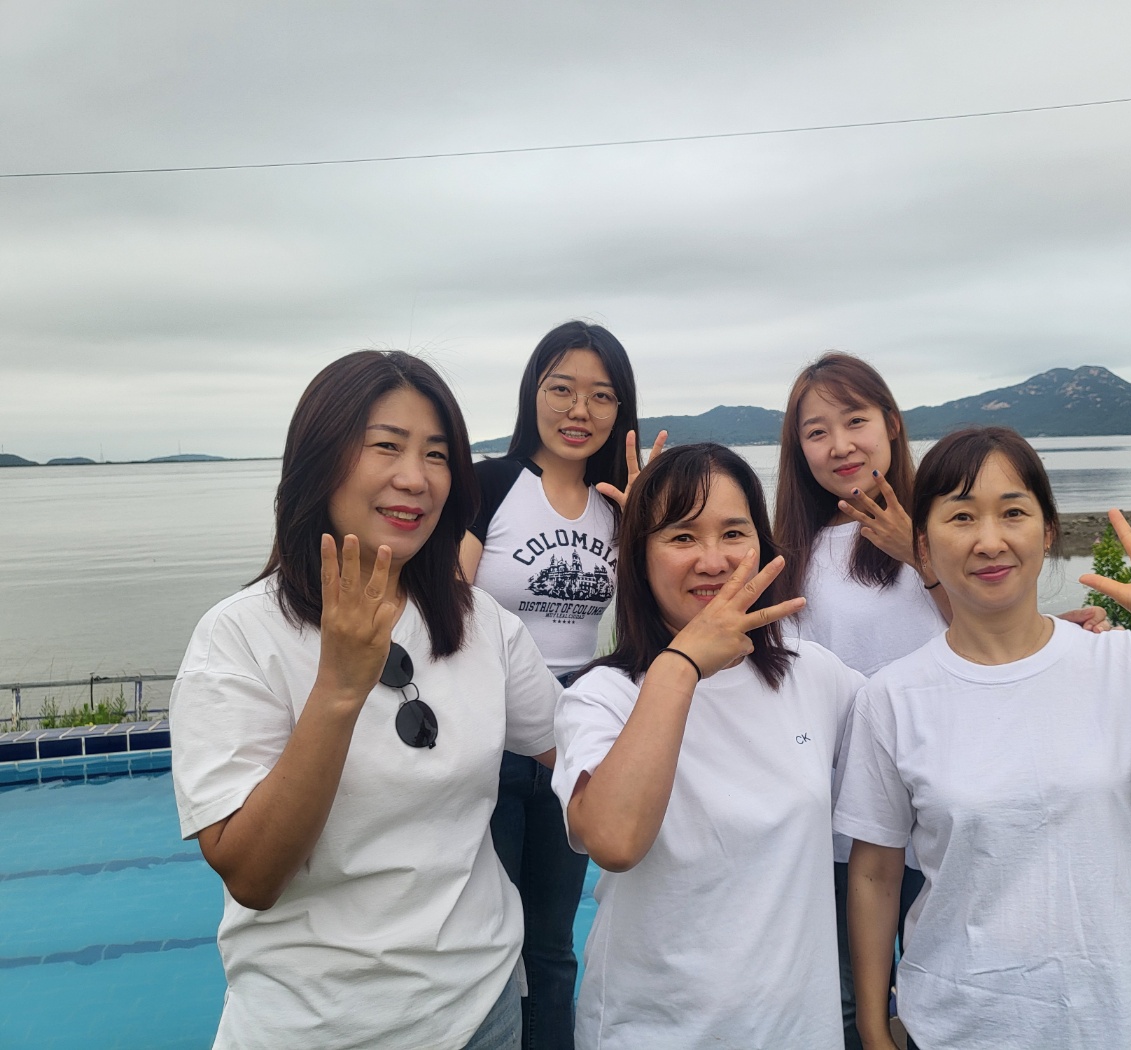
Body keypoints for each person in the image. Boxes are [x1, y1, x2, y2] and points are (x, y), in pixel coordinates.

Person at [835, 426, 1131, 1050]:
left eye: (1013, 512)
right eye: (961, 517)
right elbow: (875, 874)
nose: (989, 541)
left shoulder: (1126, 665)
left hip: (1127, 1022)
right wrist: (871, 1027)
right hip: (962, 1027)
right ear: (923, 544)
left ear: (1048, 531)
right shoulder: (891, 698)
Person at [170, 351, 560, 1050]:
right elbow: (252, 875)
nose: (415, 477)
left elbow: (583, 756)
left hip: (482, 1011)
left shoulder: (484, 625)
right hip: (314, 1027)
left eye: (437, 454)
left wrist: (663, 592)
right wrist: (339, 690)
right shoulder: (240, 636)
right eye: (387, 445)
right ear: (320, 459)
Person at [774, 352, 1105, 1049]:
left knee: (957, 981)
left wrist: (918, 554)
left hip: (954, 800)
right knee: (842, 1000)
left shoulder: (947, 530)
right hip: (841, 814)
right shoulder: (793, 552)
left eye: (855, 421)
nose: (840, 445)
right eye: (816, 431)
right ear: (797, 449)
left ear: (891, 425)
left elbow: (990, 636)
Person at [552, 443, 865, 1049]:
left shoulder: (813, 674)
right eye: (682, 536)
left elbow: (919, 727)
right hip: (654, 1031)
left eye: (734, 533)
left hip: (797, 1030)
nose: (714, 560)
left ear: (762, 547)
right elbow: (614, 841)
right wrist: (680, 665)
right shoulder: (602, 696)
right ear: (639, 558)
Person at [459, 320, 661, 1050]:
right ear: (533, 394)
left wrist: (647, 524)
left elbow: (650, 618)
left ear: (621, 409)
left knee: (549, 943)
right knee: (481, 939)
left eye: (602, 396)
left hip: (574, 732)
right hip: (486, 729)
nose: (581, 410)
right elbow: (447, 608)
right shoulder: (487, 485)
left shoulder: (619, 503)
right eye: (562, 389)